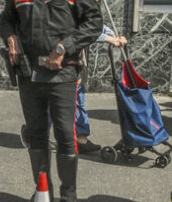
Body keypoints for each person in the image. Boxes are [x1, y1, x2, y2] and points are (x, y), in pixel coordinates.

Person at [0, 0, 103, 202]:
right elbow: (7, 20)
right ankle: (42, 193)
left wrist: (64, 48)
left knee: (66, 136)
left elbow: (93, 22)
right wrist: (10, 38)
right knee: (36, 136)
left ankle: (69, 199)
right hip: (28, 73)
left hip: (62, 73)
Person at [19, 26, 127, 155]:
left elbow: (90, 24)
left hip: (72, 62)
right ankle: (34, 135)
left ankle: (80, 139)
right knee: (54, 101)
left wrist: (108, 33)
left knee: (77, 99)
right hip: (57, 60)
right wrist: (109, 38)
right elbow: (78, 31)